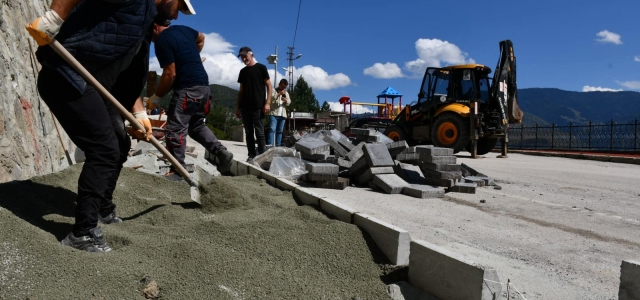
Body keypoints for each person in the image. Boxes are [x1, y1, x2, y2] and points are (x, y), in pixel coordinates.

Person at [26, 0, 196, 253]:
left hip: (93, 87)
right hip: (67, 75)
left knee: (119, 143)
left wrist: (139, 113)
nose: (178, 16)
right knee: (104, 149)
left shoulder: (144, 26)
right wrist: (54, 17)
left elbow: (126, 80)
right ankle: (82, 234)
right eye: (179, 7)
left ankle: (103, 208)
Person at [147, 21, 234, 178]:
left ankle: (177, 170)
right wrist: (193, 56)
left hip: (187, 89)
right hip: (204, 88)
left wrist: (156, 97)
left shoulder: (162, 40)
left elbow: (169, 74)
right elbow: (201, 37)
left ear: (154, 26)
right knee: (196, 125)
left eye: (150, 35)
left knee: (175, 128)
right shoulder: (183, 29)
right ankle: (220, 151)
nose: (151, 39)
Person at [235, 47, 272, 162]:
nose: (244, 58)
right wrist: (238, 107)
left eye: (245, 56)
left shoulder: (261, 68)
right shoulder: (243, 72)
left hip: (258, 106)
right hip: (245, 107)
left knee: (260, 132)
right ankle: (251, 155)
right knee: (249, 133)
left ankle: (262, 155)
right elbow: (241, 91)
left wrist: (267, 103)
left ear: (252, 55)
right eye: (242, 57)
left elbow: (269, 86)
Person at [266, 79, 290, 147]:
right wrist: (278, 94)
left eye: (284, 87)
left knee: (280, 131)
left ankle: (278, 145)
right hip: (274, 113)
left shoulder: (286, 93)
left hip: (282, 115)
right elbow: (270, 99)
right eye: (282, 86)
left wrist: (286, 101)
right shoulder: (273, 90)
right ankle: (270, 145)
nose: (283, 88)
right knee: (272, 129)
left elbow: (289, 102)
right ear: (279, 84)